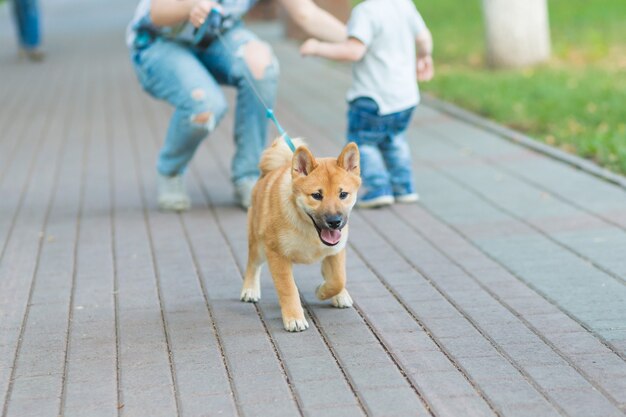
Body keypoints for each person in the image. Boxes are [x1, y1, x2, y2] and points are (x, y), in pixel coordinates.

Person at [128, 0, 347, 211]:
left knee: (262, 65)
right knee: (205, 106)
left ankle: (249, 176)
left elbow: (306, 14)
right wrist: (190, 5)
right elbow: (158, 12)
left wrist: (360, 40)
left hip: (216, 36)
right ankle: (170, 171)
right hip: (159, 41)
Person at [300, 0, 434, 208]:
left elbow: (353, 51)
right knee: (395, 139)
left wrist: (318, 48)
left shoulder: (365, 12)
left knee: (364, 143)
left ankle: (378, 188)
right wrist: (424, 56)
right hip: (406, 97)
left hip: (373, 97)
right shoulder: (404, 5)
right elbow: (424, 38)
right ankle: (404, 187)